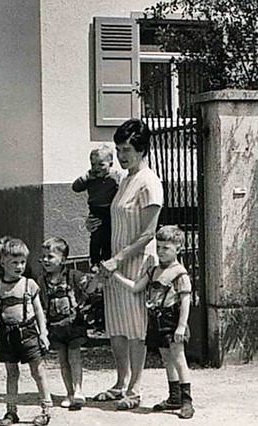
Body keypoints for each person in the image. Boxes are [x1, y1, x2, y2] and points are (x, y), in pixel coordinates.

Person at [94, 118, 163, 410]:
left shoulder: (150, 182)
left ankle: (136, 388)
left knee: (135, 328)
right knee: (117, 326)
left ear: (142, 149)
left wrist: (118, 260)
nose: (121, 156)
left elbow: (148, 233)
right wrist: (97, 223)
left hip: (137, 264)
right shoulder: (125, 180)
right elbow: (120, 219)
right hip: (116, 263)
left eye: (126, 149)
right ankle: (120, 382)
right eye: (118, 149)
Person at [110, 225, 195, 419]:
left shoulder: (179, 273)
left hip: (173, 320)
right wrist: (115, 275)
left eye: (167, 248)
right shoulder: (153, 270)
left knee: (179, 359)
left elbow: (185, 301)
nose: (161, 251)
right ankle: (174, 398)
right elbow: (136, 287)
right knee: (166, 358)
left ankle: (187, 401)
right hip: (156, 320)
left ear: (179, 248)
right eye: (159, 247)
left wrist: (181, 326)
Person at [0, 237, 52, 426]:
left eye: (22, 262)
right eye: (14, 262)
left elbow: (39, 310)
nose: (19, 266)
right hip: (7, 334)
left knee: (38, 371)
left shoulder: (29, 285)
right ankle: (11, 411)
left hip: (28, 332)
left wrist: (43, 333)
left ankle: (46, 409)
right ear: (3, 263)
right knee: (11, 373)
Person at [36, 237, 97, 410]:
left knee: (74, 356)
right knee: (62, 360)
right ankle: (69, 393)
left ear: (62, 259)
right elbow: (40, 303)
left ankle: (78, 390)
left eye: (50, 257)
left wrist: (96, 276)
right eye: (44, 257)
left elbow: (89, 289)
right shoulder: (42, 280)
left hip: (73, 324)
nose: (46, 260)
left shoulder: (73, 276)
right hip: (55, 326)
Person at [71, 146, 122, 270]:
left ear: (111, 164)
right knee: (96, 236)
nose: (96, 168)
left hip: (110, 211)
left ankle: (107, 258)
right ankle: (94, 261)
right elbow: (76, 188)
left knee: (109, 235)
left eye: (101, 164)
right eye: (93, 164)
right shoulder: (90, 178)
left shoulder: (114, 177)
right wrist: (84, 177)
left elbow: (121, 191)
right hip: (96, 210)